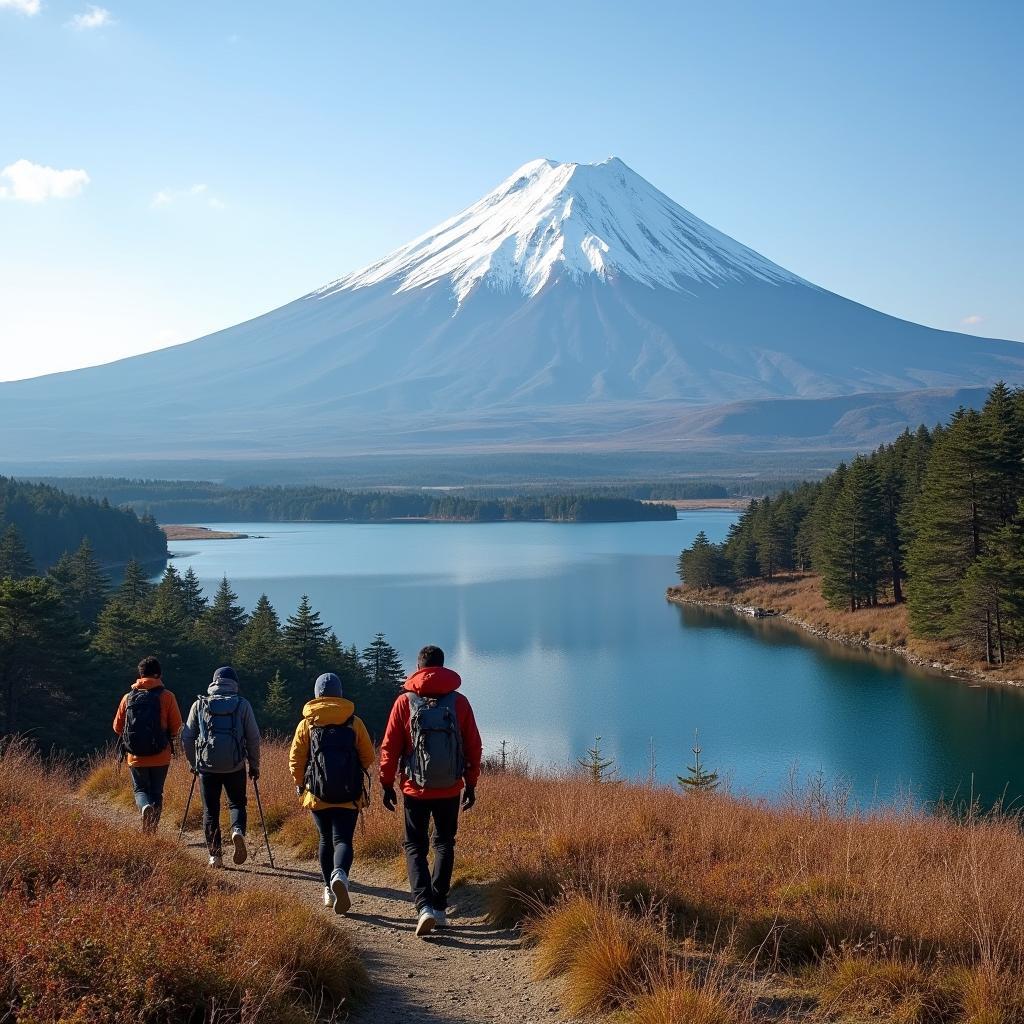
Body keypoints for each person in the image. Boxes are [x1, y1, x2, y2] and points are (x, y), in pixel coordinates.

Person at [380, 645, 482, 938]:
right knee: (445, 844)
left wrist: (387, 784)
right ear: (442, 666)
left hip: (415, 788)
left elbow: (390, 747)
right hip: (450, 787)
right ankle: (438, 907)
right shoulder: (459, 703)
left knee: (414, 846)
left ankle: (423, 906)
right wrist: (471, 783)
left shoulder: (405, 702)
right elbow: (473, 745)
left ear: (420, 667)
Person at [289, 671, 375, 914]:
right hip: (349, 794)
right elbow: (368, 756)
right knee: (343, 840)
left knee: (326, 839)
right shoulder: (354, 721)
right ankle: (341, 874)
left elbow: (296, 759)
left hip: (318, 794)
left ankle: (328, 888)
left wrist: (300, 783)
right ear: (340, 694)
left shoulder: (308, 722)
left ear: (317, 695)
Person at [181, 666, 261, 868]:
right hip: (235, 765)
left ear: (214, 682)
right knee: (236, 804)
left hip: (207, 767)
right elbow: (253, 738)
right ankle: (237, 831)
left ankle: (215, 857)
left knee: (211, 810)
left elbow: (187, 737)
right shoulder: (242, 704)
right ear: (235, 684)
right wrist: (254, 765)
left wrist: (194, 763)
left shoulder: (200, 704)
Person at [113, 655, 184, 832]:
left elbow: (117, 727)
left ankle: (144, 808)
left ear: (140, 674)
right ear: (159, 674)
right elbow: (176, 726)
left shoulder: (128, 697)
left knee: (140, 790)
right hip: (161, 755)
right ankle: (151, 830)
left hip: (135, 756)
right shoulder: (167, 696)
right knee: (156, 792)